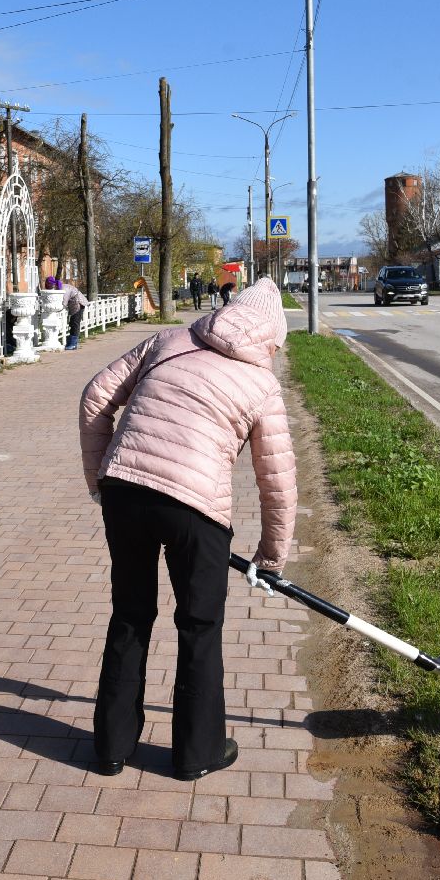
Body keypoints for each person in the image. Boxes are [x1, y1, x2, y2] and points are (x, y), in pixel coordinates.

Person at [79, 277, 296, 782]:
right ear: (271, 336)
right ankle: (196, 753)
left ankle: (111, 747)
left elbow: (96, 395)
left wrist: (99, 481)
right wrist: (271, 559)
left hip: (125, 491)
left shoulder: (170, 340)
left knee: (130, 614)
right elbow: (277, 483)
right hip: (195, 506)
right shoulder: (262, 385)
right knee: (199, 626)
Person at [63, 278, 89, 350]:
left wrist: (60, 309)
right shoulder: (63, 287)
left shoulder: (64, 289)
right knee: (72, 323)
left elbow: (64, 302)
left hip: (79, 304)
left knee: (75, 323)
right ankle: (71, 343)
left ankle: (73, 344)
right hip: (74, 305)